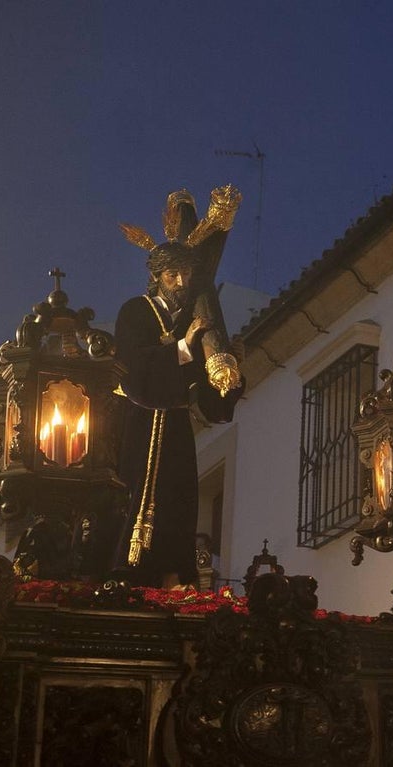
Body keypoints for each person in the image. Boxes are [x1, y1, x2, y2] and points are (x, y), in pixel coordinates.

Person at [114, 239, 242, 587]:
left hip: (176, 427)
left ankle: (174, 574)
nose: (181, 283)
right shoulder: (135, 312)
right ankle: (130, 571)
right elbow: (134, 366)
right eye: (173, 275)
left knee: (181, 498)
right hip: (140, 423)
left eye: (186, 273)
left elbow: (207, 397)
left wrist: (227, 371)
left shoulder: (197, 319)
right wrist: (184, 346)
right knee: (138, 494)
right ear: (157, 277)